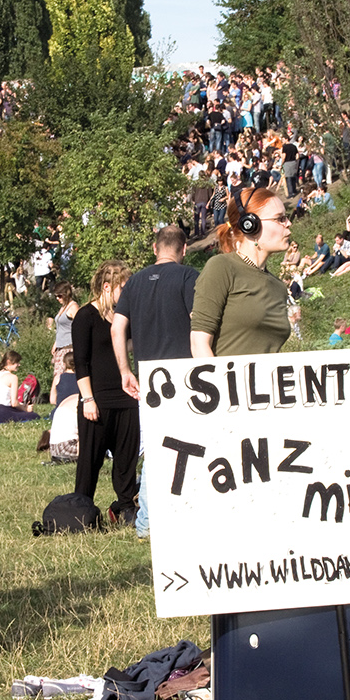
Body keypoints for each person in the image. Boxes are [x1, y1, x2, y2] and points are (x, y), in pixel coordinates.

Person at [112, 224, 199, 539]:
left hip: (148, 377)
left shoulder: (134, 282)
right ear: (184, 249)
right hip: (186, 376)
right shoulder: (189, 276)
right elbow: (198, 322)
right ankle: (181, 516)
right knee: (191, 446)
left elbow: (117, 328)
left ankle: (146, 523)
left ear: (154, 248)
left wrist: (125, 369)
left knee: (155, 451)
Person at [73, 260, 140, 526]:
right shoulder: (85, 316)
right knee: (90, 461)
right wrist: (88, 399)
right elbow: (81, 362)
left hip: (125, 397)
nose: (127, 295)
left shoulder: (124, 319)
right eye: (124, 289)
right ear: (107, 286)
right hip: (96, 399)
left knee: (127, 459)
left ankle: (125, 508)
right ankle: (81, 510)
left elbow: (130, 346)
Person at [190, 187, 293, 357]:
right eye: (279, 219)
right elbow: (199, 344)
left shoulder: (279, 287)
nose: (288, 223)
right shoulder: (221, 267)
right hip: (226, 382)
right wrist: (221, 384)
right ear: (250, 224)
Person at [47, 282, 79, 407]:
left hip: (69, 347)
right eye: (56, 296)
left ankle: (61, 401)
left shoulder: (73, 307)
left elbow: (79, 327)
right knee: (57, 376)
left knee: (62, 376)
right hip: (60, 346)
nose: (57, 299)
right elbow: (61, 328)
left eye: (60, 296)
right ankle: (57, 401)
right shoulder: (63, 307)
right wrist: (55, 343)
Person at [0, 351, 37, 423]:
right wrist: (26, 409)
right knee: (34, 416)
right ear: (9, 362)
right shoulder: (13, 377)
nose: (19, 364)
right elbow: (14, 403)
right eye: (17, 362)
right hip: (2, 412)